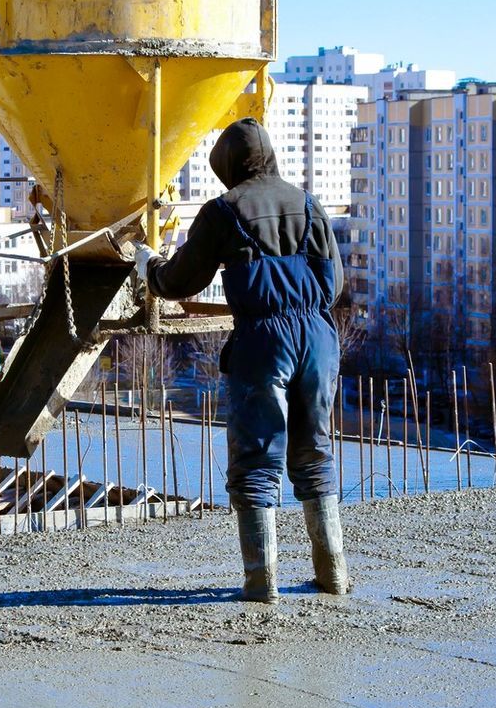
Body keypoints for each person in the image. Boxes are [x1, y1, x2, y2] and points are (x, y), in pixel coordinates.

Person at [128, 118, 348, 602]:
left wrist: (148, 263)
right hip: (319, 336)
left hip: (263, 341)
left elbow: (177, 283)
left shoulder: (222, 211)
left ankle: (261, 582)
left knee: (256, 456)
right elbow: (335, 284)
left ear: (226, 166)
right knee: (314, 452)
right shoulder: (310, 204)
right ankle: (333, 575)